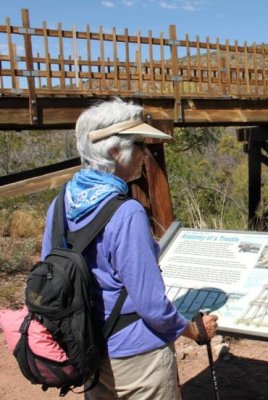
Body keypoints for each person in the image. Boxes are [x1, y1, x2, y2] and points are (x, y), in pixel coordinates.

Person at [40, 98, 218, 400]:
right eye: (139, 145)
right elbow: (152, 306)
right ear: (113, 152)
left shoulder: (59, 205)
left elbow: (50, 275)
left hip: (89, 350)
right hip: (139, 359)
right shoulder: (127, 212)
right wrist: (193, 330)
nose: (146, 153)